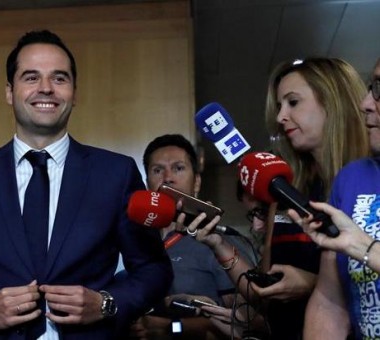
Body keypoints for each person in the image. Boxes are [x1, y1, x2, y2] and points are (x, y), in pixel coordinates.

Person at [0, 29, 173, 339]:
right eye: (31, 77)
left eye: (59, 78)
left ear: (75, 93)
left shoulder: (115, 174)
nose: (46, 88)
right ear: (9, 91)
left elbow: (154, 270)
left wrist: (106, 303)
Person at [188, 57, 369, 339]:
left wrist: (313, 284)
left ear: (333, 102)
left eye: (293, 102)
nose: (280, 116)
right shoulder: (282, 190)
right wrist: (217, 244)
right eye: (279, 106)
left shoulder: (368, 186)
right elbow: (264, 293)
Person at [288, 57, 380, 340]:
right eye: (371, 87)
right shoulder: (352, 178)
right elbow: (330, 302)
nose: (365, 102)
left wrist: (364, 247)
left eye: (379, 89)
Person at [129, 134, 251, 339]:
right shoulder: (134, 241)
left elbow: (246, 325)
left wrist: (174, 327)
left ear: (196, 182)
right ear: (147, 183)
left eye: (178, 168)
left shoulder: (221, 243)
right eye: (157, 170)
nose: (167, 177)